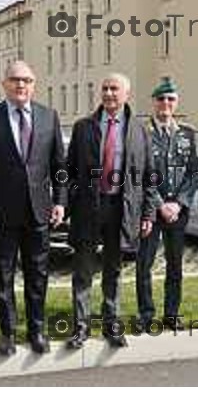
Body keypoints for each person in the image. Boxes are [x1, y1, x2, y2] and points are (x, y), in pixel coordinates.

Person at [0, 60, 66, 356]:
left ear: (33, 85)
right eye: (15, 79)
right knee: (3, 275)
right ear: (5, 84)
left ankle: (37, 330)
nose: (21, 85)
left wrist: (60, 201)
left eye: (26, 80)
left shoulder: (49, 117)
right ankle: (8, 332)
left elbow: (59, 166)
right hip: (0, 214)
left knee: (38, 275)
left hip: (38, 212)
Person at [66, 72, 157, 349]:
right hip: (89, 208)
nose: (108, 94)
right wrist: (72, 200)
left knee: (113, 270)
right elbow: (69, 170)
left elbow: (149, 175)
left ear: (126, 94)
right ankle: (80, 328)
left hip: (122, 208)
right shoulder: (84, 127)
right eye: (105, 89)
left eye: (114, 89)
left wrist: (148, 213)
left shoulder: (139, 130)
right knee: (83, 270)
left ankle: (111, 326)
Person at [135, 77, 198, 332]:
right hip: (151, 211)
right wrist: (161, 204)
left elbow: (194, 173)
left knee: (175, 266)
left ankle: (172, 315)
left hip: (177, 213)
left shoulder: (187, 133)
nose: (165, 103)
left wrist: (180, 203)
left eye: (170, 99)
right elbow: (139, 173)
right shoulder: (142, 133)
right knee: (145, 265)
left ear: (176, 102)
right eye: (161, 99)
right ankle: (146, 315)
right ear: (154, 102)